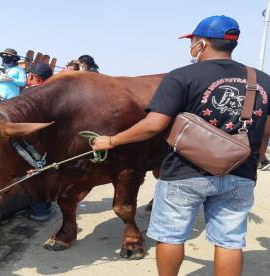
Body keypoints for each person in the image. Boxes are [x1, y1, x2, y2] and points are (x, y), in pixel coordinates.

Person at [92, 15, 270, 276]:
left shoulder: (182, 76)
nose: (192, 46)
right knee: (229, 242)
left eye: (193, 41)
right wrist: (255, 161)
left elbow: (153, 124)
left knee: (171, 237)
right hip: (239, 171)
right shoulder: (263, 80)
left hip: (184, 172)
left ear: (202, 43)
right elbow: (266, 130)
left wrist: (112, 140)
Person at [24, 63, 54, 221]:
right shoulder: (53, 94)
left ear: (32, 76)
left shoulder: (27, 94)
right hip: (51, 142)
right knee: (46, 174)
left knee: (35, 177)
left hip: (32, 144)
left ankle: (40, 212)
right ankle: (46, 206)